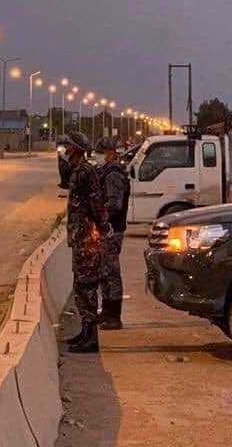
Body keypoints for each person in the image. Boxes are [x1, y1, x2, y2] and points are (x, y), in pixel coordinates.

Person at [60, 131, 111, 353]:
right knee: (80, 285)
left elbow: (96, 203)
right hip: (81, 237)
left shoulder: (85, 172)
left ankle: (91, 338)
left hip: (88, 238)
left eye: (68, 146)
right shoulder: (77, 170)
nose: (65, 150)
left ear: (75, 149)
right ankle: (85, 331)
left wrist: (103, 226)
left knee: (87, 285)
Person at [96, 137, 130, 330]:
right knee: (104, 272)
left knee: (111, 273)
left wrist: (100, 215)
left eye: (101, 152)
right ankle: (107, 311)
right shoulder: (107, 171)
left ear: (110, 153)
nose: (98, 156)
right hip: (107, 229)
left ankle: (114, 316)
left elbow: (114, 205)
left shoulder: (113, 175)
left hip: (112, 230)